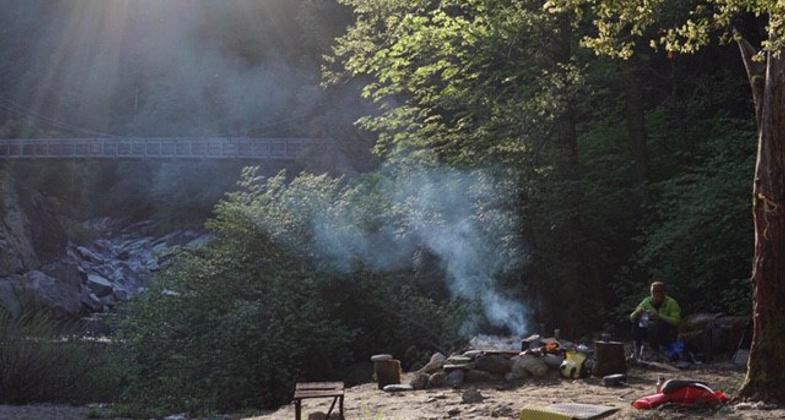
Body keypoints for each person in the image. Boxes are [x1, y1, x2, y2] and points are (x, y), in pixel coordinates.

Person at [630, 281, 681, 360]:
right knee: (637, 321)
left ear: (663, 293)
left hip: (666, 330)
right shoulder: (647, 301)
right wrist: (637, 312)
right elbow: (632, 317)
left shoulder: (671, 303)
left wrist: (659, 316)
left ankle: (657, 351)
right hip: (648, 327)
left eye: (658, 293)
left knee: (659, 325)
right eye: (653, 292)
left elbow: (676, 321)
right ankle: (637, 349)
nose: (655, 295)